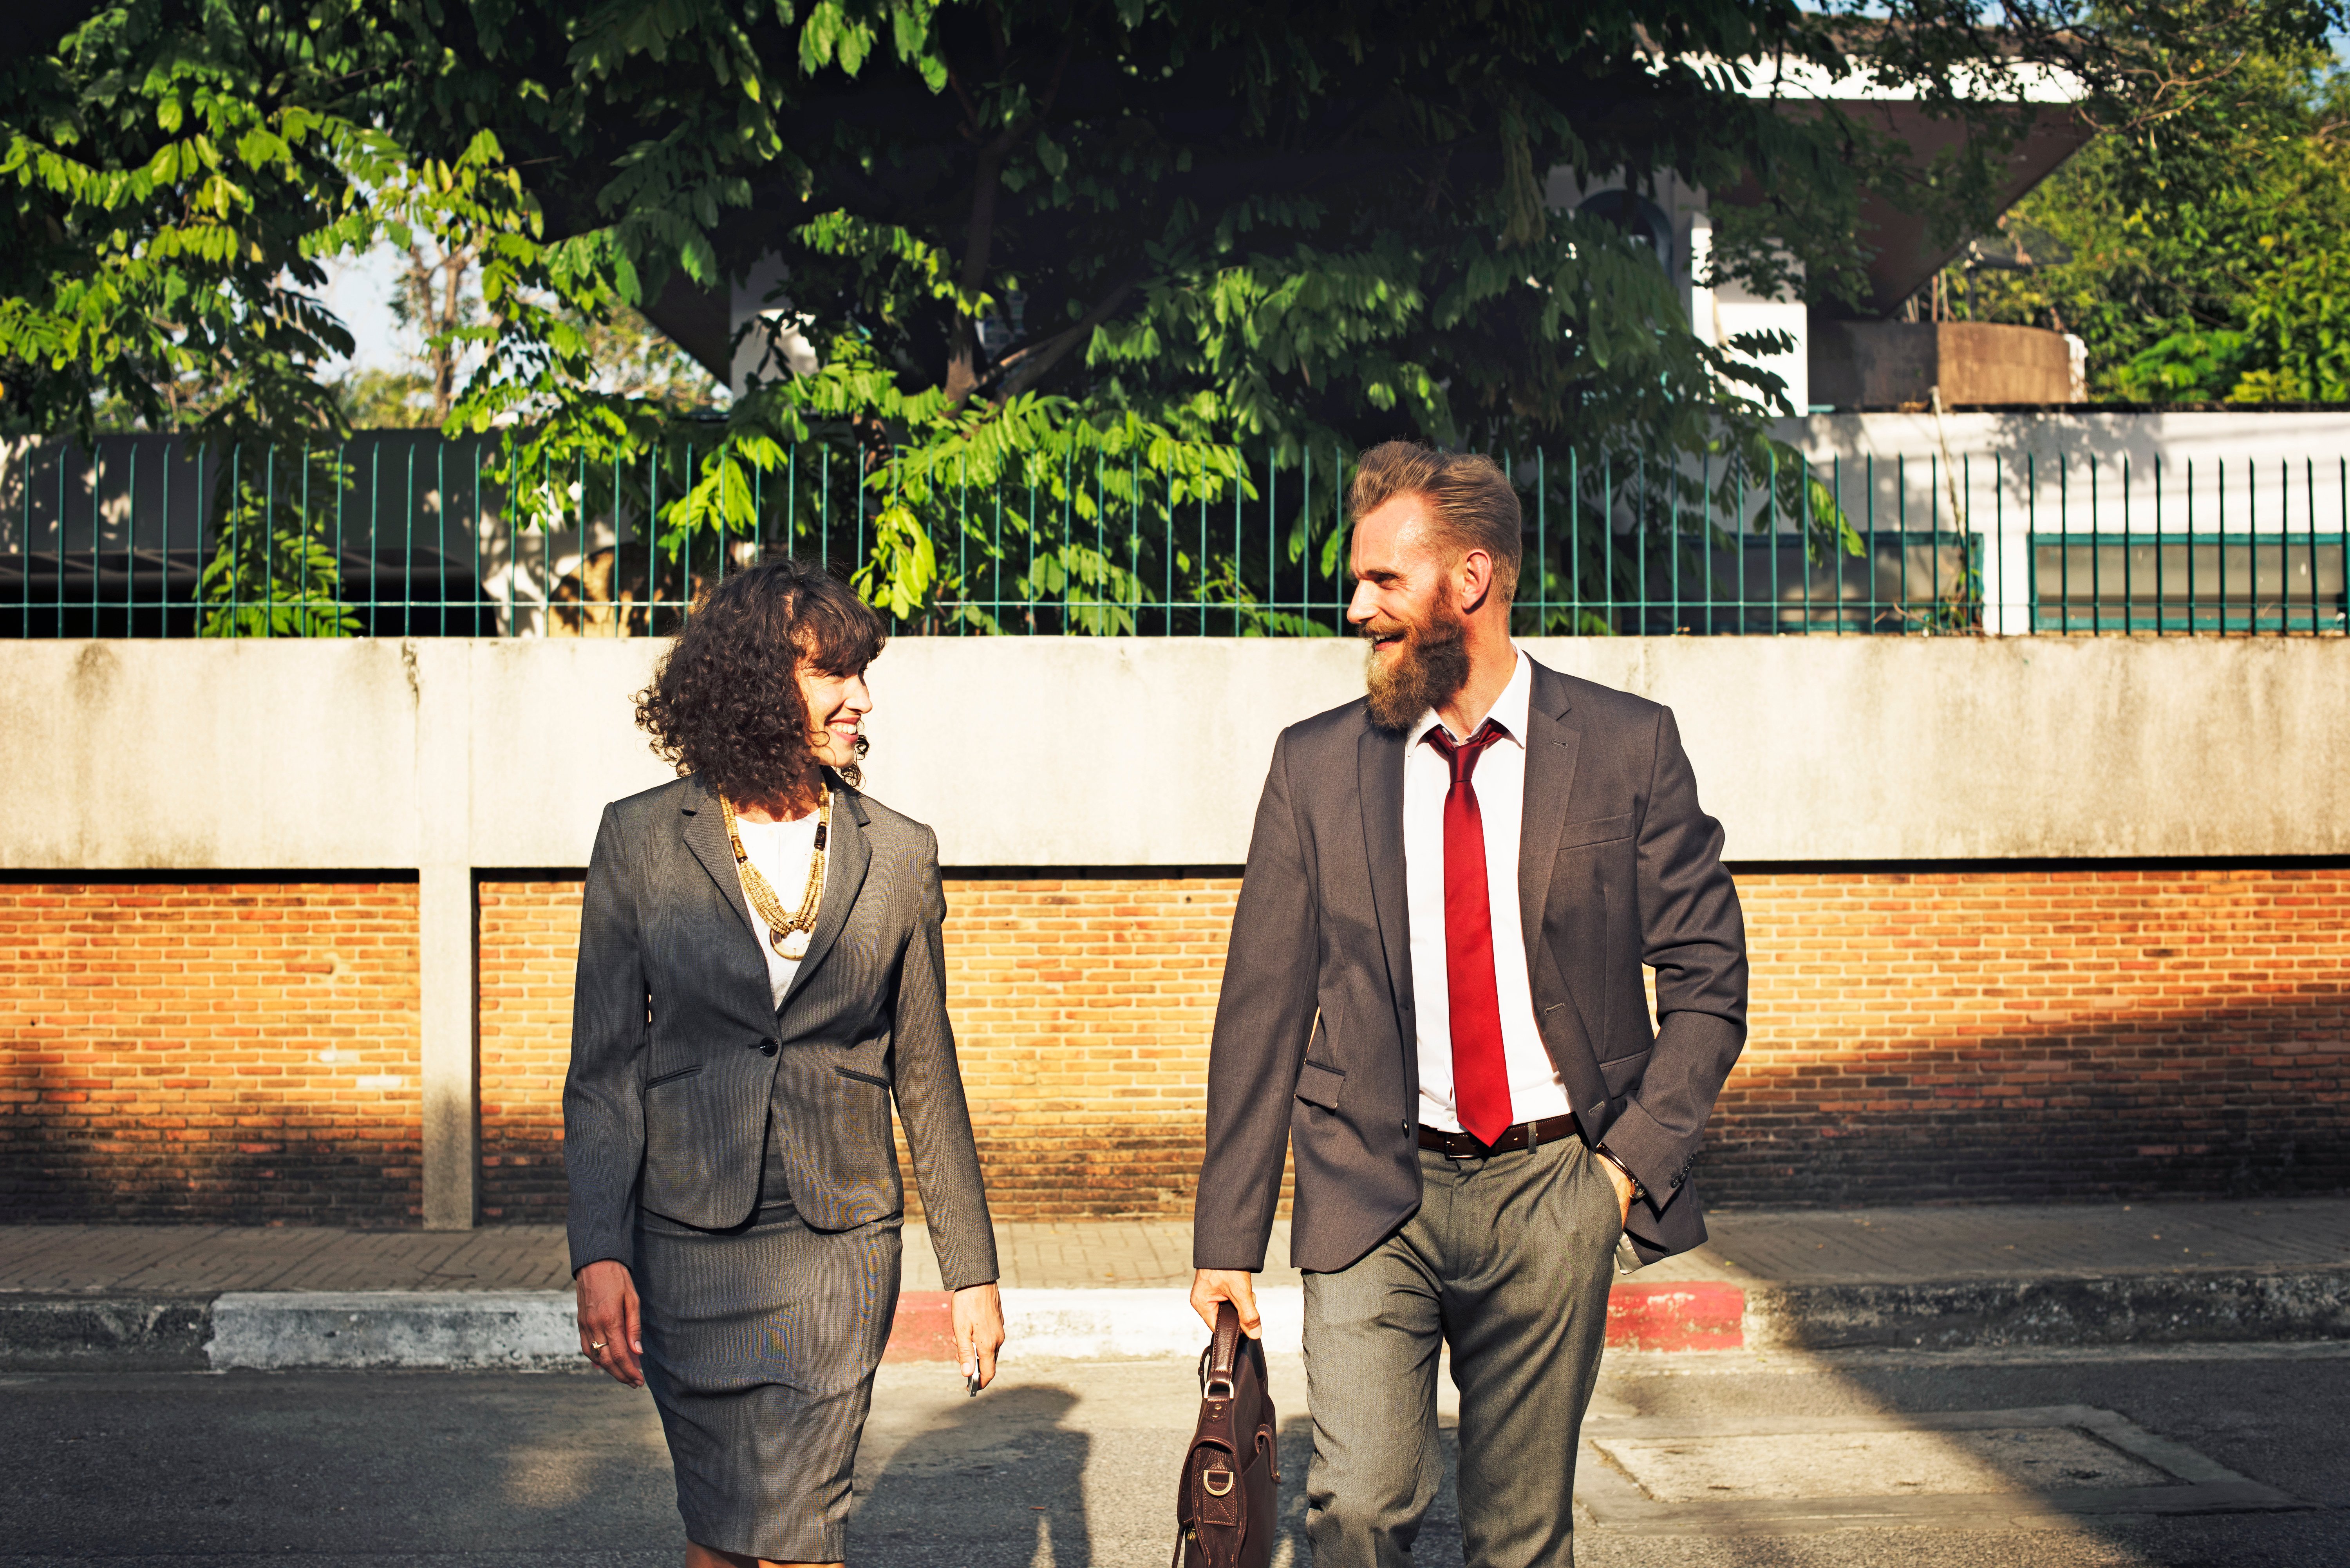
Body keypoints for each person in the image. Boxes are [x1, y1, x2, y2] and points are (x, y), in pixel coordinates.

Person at [1190, 442, 1748, 1568]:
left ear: (1473, 579)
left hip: (1555, 1187)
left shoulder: (1628, 750)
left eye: (1384, 582)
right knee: (1353, 1505)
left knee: (1519, 1537)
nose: (1356, 609)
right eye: (1359, 582)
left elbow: (1708, 979)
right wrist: (1226, 1237)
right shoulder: (1316, 766)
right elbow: (1263, 1006)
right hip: (1369, 1187)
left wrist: (1620, 1172)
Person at [565, 558, 1005, 1568]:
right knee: (721, 1534)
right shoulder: (638, 839)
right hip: (683, 1236)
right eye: (830, 675)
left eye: (862, 674)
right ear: (757, 687)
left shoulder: (898, 852)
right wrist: (600, 1251)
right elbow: (603, 1071)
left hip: (838, 1241)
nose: (859, 699)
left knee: (802, 1531)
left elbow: (926, 1069)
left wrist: (971, 1274)